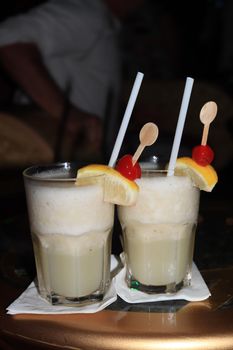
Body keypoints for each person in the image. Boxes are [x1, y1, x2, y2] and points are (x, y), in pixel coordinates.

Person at [0, 0, 122, 161]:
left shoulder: (105, 21)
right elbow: (7, 39)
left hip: (83, 157)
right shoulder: (88, 12)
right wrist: (67, 112)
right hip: (49, 157)